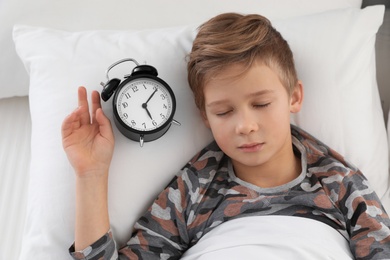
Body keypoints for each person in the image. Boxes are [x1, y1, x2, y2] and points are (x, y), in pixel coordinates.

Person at [62, 13, 390, 259]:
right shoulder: (191, 192)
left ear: (294, 98)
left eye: (261, 104)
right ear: (205, 117)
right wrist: (91, 174)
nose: (245, 125)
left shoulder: (341, 185)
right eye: (224, 112)